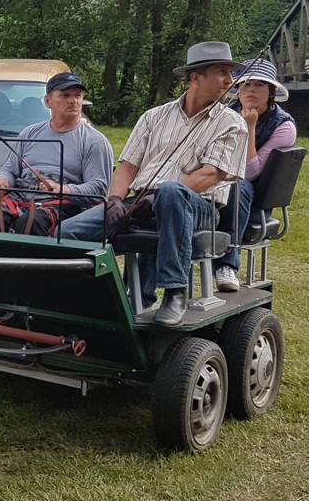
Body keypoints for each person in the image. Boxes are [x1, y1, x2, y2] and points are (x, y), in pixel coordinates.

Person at [57, 42, 248, 326]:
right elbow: (127, 167)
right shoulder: (154, 116)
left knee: (170, 192)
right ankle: (87, 299)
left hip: (199, 207)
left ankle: (175, 292)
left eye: (230, 73)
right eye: (222, 72)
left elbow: (210, 175)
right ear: (196, 78)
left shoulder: (232, 123)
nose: (230, 80)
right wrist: (115, 200)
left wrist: (158, 197)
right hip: (141, 201)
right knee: (66, 232)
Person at [0, 72, 113, 236]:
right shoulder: (30, 133)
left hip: (63, 204)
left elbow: (99, 188)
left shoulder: (94, 141)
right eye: (65, 95)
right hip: (21, 198)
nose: (73, 101)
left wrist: (64, 189)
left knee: (32, 221)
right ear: (47, 101)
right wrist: (3, 180)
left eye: (77, 96)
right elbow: (9, 169)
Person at [212, 59, 297, 291]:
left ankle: (227, 265)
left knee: (236, 187)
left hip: (252, 198)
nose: (251, 90)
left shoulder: (283, 126)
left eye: (259, 85)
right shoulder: (221, 115)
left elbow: (249, 172)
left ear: (271, 91)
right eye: (246, 84)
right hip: (213, 180)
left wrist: (248, 127)